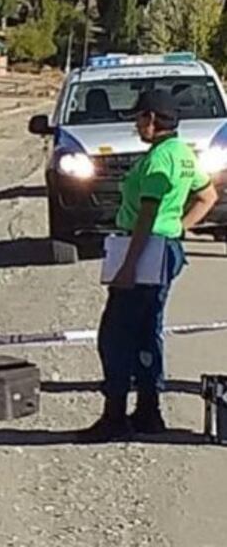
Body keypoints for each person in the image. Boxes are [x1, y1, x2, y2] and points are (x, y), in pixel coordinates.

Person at [86, 90, 218, 440]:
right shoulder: (184, 154)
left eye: (138, 118)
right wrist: (179, 228)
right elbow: (208, 196)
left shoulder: (159, 159)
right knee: (148, 331)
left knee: (116, 334)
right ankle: (148, 411)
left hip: (144, 249)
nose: (135, 125)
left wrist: (129, 265)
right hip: (164, 247)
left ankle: (115, 416)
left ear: (152, 119)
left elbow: (146, 214)